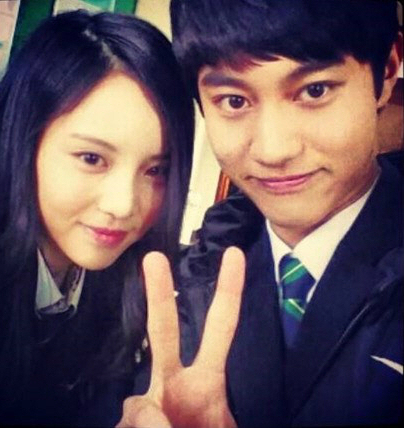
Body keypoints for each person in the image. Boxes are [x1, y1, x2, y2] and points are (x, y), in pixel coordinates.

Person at [119, 0, 403, 427]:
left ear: (387, 71)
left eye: (315, 90)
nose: (273, 150)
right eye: (234, 100)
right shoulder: (195, 278)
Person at [0, 9, 194, 427]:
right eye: (92, 158)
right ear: (24, 138)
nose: (123, 205)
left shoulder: (124, 281)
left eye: (156, 170)